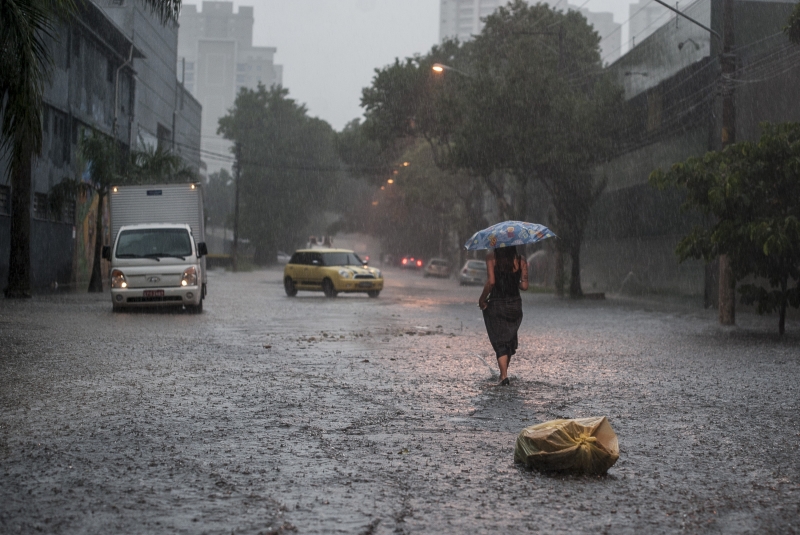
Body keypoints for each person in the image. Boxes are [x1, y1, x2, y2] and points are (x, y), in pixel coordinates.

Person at [478, 246, 529, 386]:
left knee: (500, 340)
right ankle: (504, 373)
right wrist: (513, 281)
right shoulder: (521, 260)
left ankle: (503, 376)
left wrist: (482, 299)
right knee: (509, 338)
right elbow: (524, 286)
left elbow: (491, 282)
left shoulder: (491, 258)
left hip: (497, 304)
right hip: (515, 305)